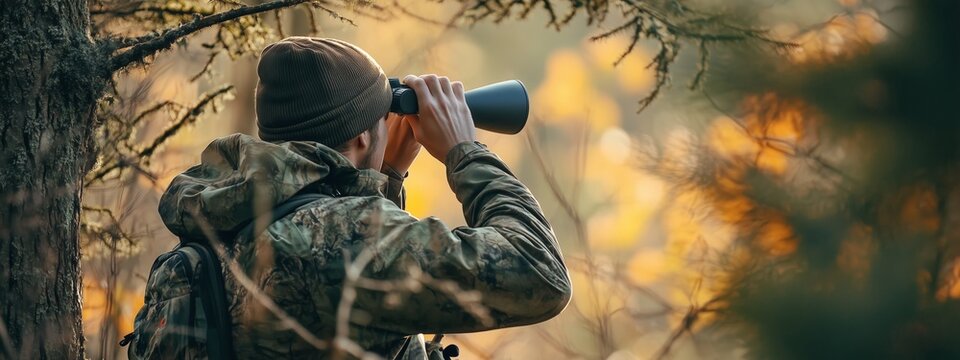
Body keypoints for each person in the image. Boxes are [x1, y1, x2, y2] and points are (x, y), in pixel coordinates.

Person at [157, 37, 572, 359]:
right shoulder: (343, 238)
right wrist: (464, 151)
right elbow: (541, 274)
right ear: (360, 137)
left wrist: (385, 176)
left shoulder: (229, 213)